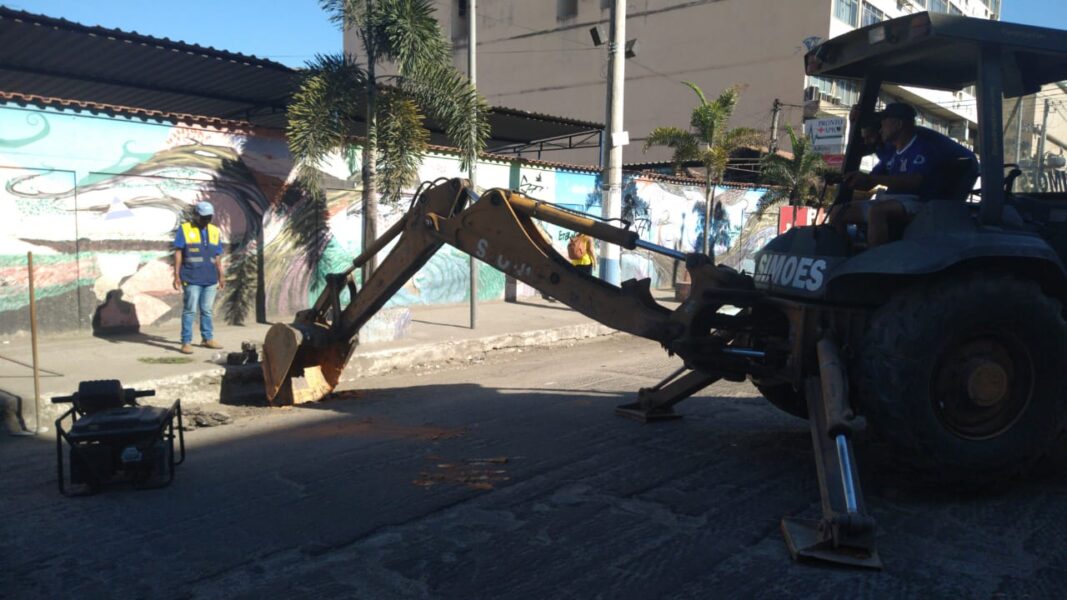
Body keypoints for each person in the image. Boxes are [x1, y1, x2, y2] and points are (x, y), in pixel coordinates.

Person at [834, 102, 976, 246]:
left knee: (877, 212)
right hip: (892, 200)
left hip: (918, 202)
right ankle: (847, 254)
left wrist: (872, 179)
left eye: (884, 122)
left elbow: (914, 181)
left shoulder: (924, 148)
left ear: (898, 124)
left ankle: (875, 262)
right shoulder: (892, 153)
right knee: (837, 212)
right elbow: (870, 181)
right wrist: (856, 180)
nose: (881, 128)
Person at [173, 201, 225, 354]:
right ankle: (186, 341)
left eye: (209, 217)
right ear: (196, 215)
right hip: (191, 277)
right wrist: (176, 275)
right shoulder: (185, 229)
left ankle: (207, 338)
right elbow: (178, 253)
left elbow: (217, 256)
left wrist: (221, 275)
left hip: (210, 278)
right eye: (203, 217)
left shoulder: (215, 231)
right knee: (189, 310)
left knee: (207, 310)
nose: (206, 220)